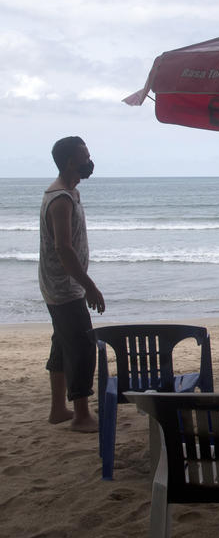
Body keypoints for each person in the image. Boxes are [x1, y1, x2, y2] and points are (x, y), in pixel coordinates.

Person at [40, 136, 104, 432]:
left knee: (63, 341)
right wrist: (89, 286)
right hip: (64, 287)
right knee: (81, 345)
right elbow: (63, 248)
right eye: (85, 156)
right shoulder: (61, 199)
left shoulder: (69, 193)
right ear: (70, 163)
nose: (90, 161)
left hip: (60, 284)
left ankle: (57, 410)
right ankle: (81, 415)